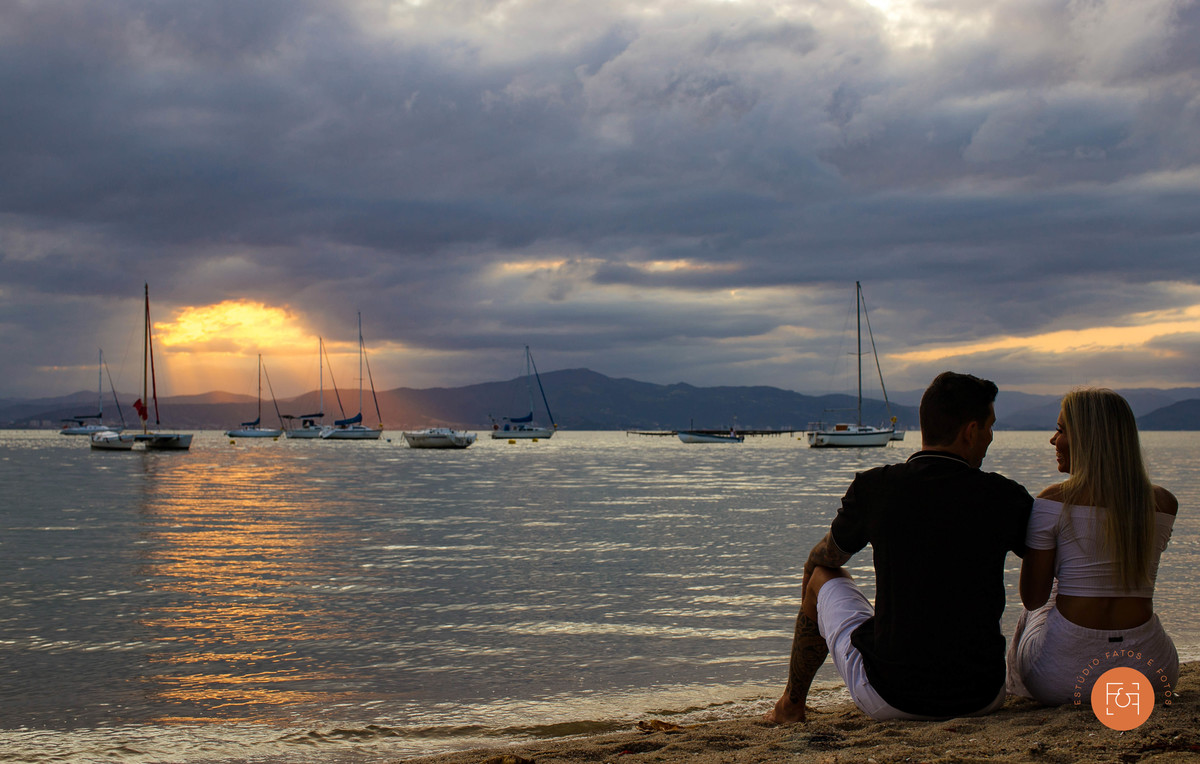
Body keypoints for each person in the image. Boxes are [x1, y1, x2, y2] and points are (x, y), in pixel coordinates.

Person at [766, 371, 1033, 723]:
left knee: (820, 574)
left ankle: (790, 706)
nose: (990, 437)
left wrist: (809, 571)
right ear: (970, 430)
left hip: (892, 697)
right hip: (982, 695)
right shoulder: (1005, 497)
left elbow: (830, 555)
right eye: (989, 427)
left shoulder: (876, 487)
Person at [1007, 388, 1179, 705]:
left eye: (1060, 430)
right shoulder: (1163, 503)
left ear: (1087, 439)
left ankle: (1014, 690)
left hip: (1066, 677)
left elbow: (1033, 598)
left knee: (1050, 597)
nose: (1052, 440)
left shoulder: (1053, 502)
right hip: (1153, 673)